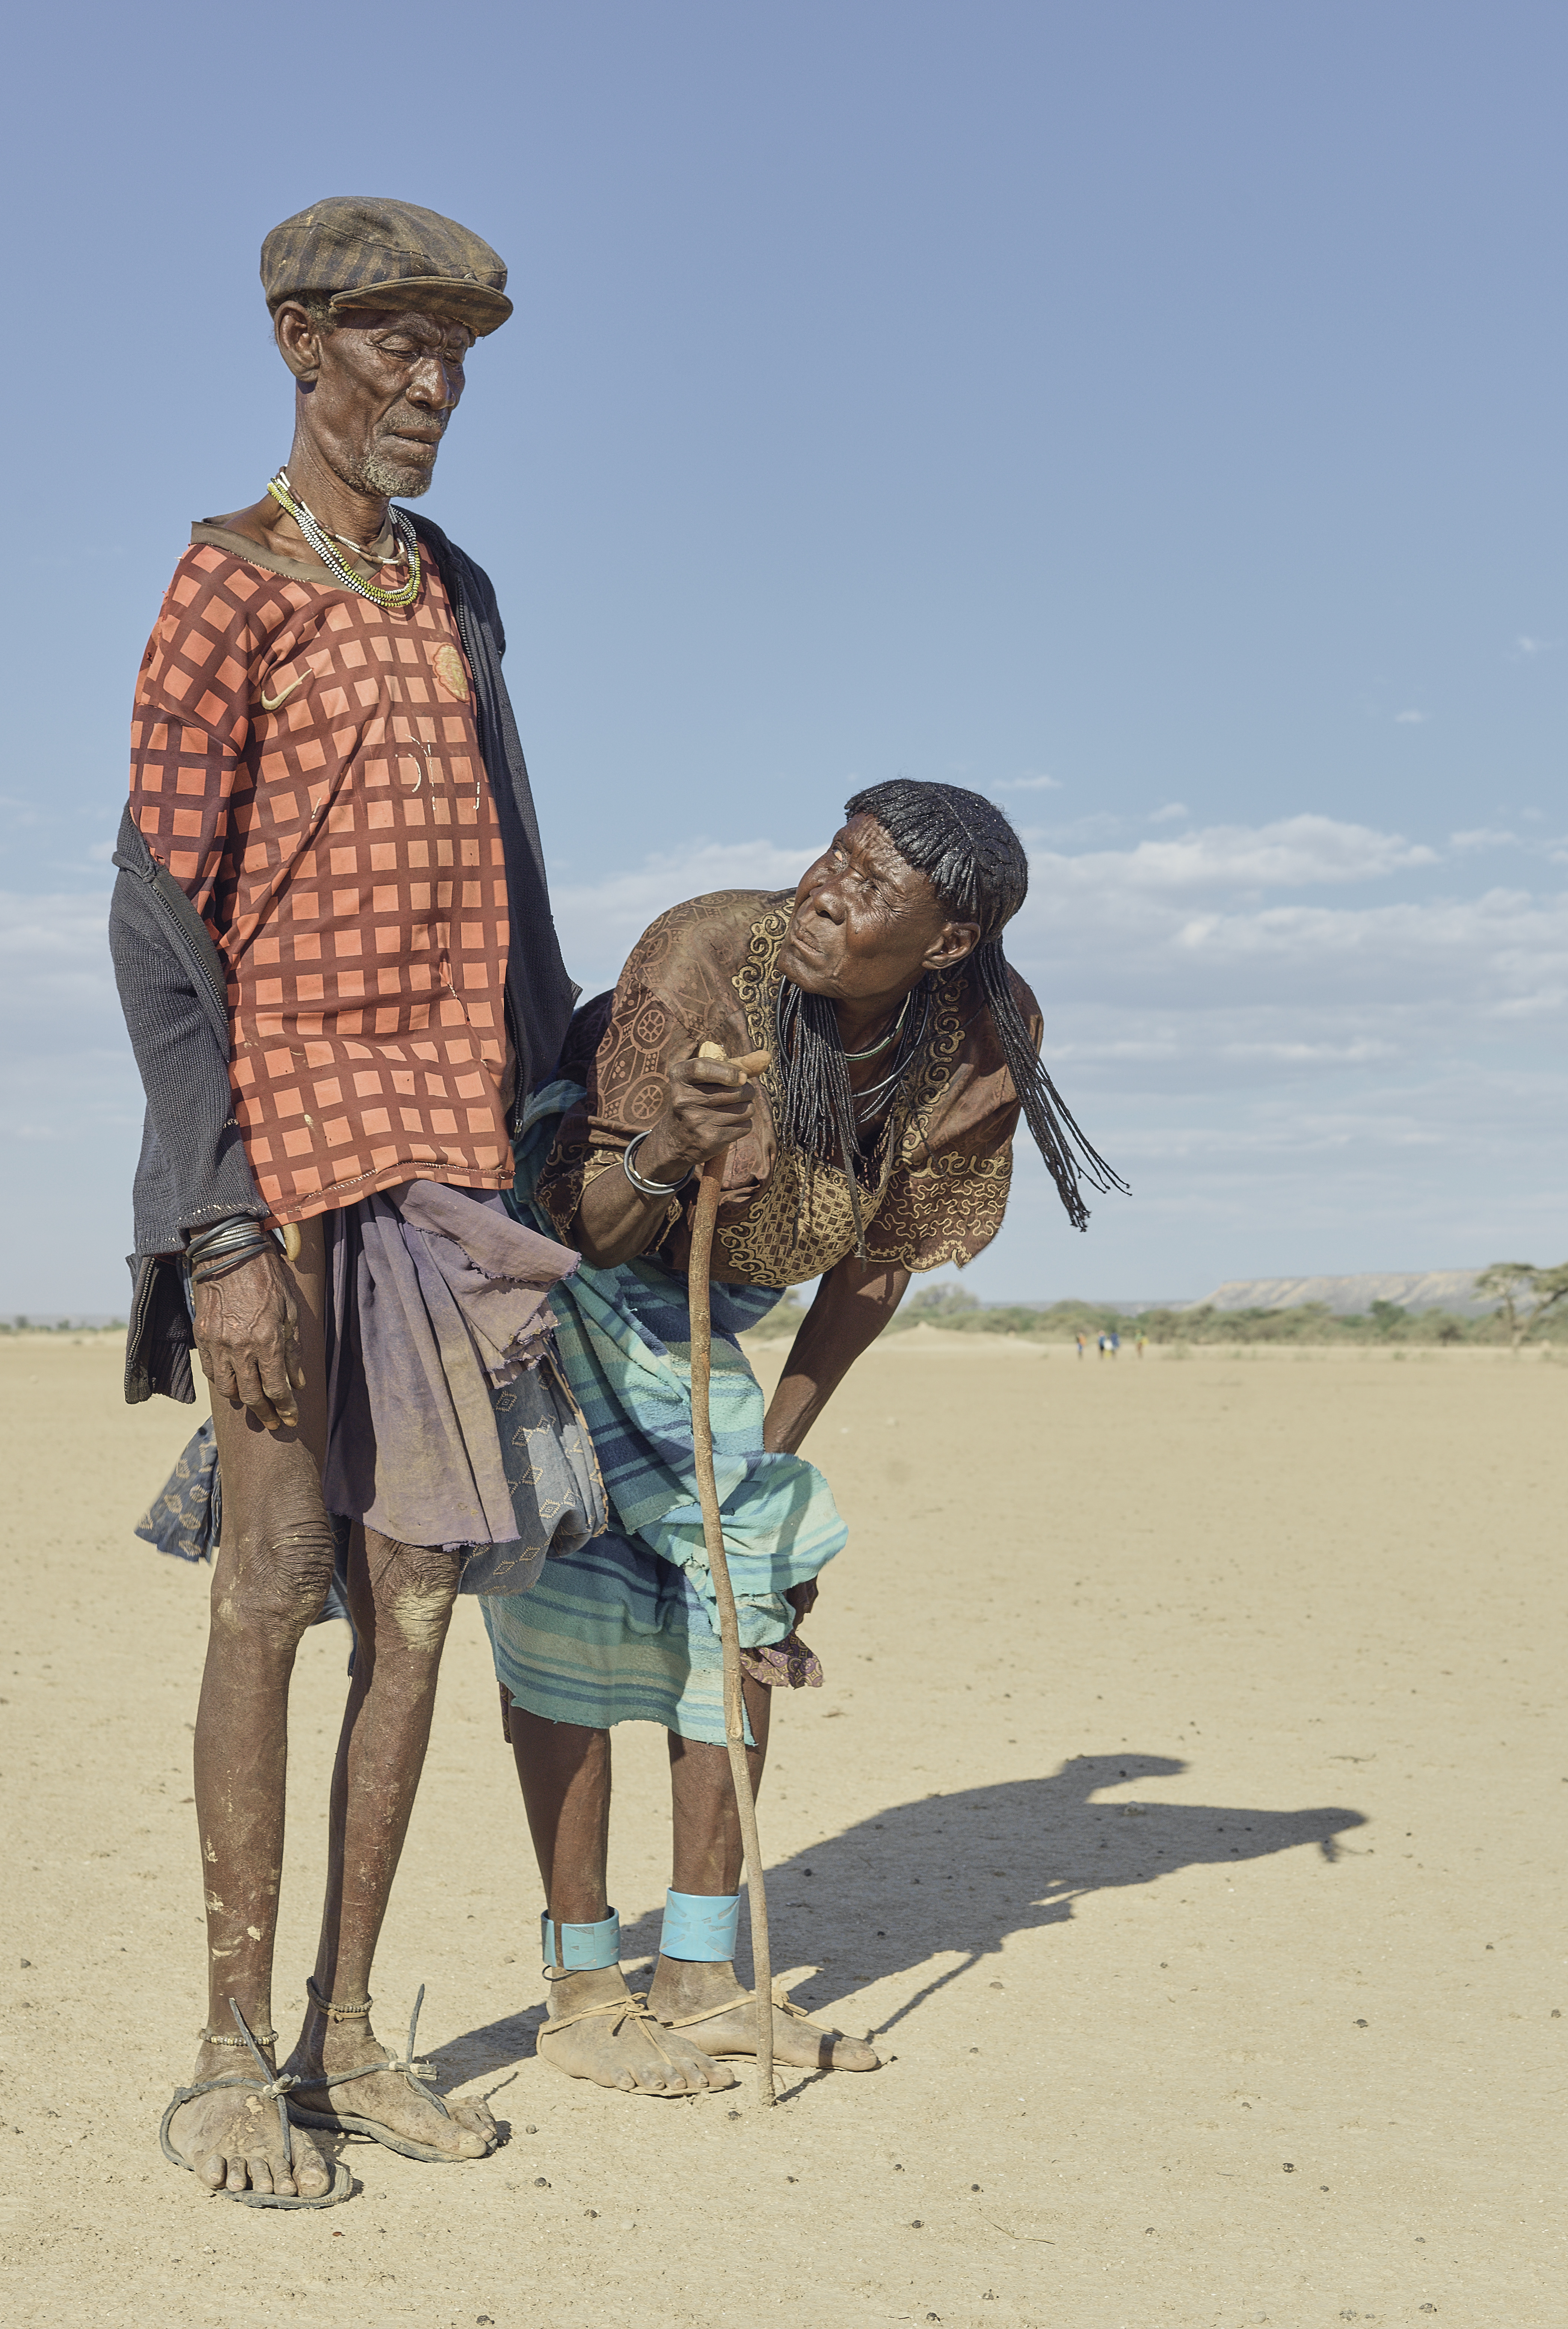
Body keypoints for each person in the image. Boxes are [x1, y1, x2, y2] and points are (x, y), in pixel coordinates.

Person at [107, 196, 603, 2205]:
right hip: (283, 1183)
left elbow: (521, 884)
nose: (434, 383)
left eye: (458, 353)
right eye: (397, 344)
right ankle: (228, 2052)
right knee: (272, 1594)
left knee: (415, 1610)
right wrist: (214, 1225)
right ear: (300, 344)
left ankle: (351, 2030)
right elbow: (157, 920)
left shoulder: (453, 593)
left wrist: (567, 1101)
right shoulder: (228, 585)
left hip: (450, 1170)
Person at [486, 780, 1123, 2095]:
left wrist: (769, 1449)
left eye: (872, 885)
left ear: (946, 944)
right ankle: (584, 1990)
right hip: (573, 1267)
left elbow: (876, 1266)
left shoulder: (982, 1038)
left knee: (744, 1590)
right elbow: (593, 1222)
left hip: (728, 1313)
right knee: (582, 1620)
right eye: (836, 855)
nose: (829, 890)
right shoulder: (710, 954)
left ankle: (703, 1978)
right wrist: (670, 1146)